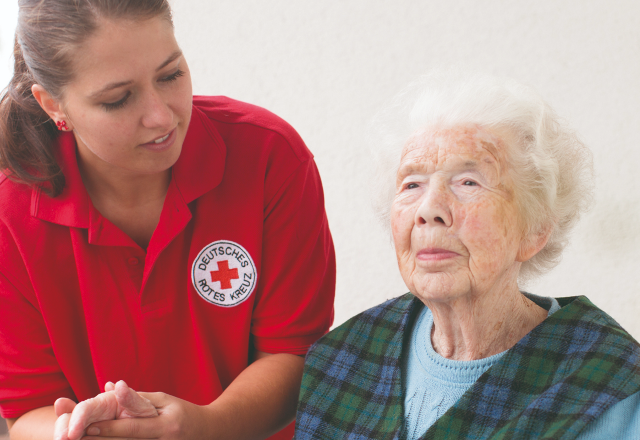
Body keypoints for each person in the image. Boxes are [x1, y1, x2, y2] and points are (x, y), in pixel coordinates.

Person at [0, 1, 335, 439]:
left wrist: (208, 427)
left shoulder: (270, 157)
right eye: (118, 99)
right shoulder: (10, 213)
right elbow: (29, 409)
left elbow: (295, 354)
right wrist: (79, 431)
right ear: (52, 106)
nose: (162, 116)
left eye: (171, 75)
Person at [294, 72, 640, 439]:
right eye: (412, 184)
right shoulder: (342, 361)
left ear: (535, 228)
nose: (429, 209)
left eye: (468, 182)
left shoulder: (608, 385)